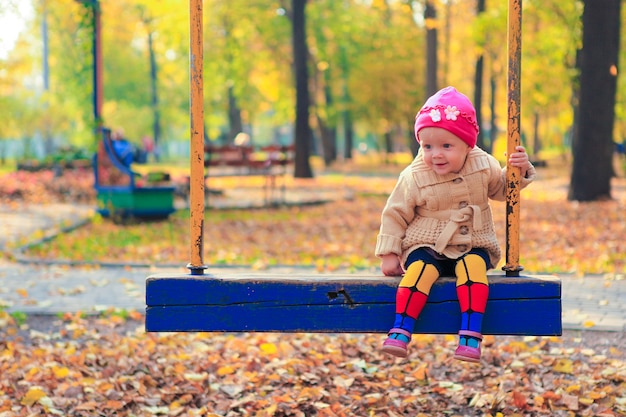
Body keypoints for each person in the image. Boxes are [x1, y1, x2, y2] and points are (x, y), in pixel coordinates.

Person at [375, 86, 535, 363]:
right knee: (420, 270)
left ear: (467, 144)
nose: (435, 154)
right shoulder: (414, 175)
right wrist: (389, 253)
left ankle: (470, 336)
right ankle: (401, 329)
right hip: (426, 242)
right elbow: (394, 213)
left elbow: (502, 190)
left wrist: (517, 171)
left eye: (446, 146)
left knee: (473, 270)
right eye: (427, 146)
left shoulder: (483, 164)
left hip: (473, 241)